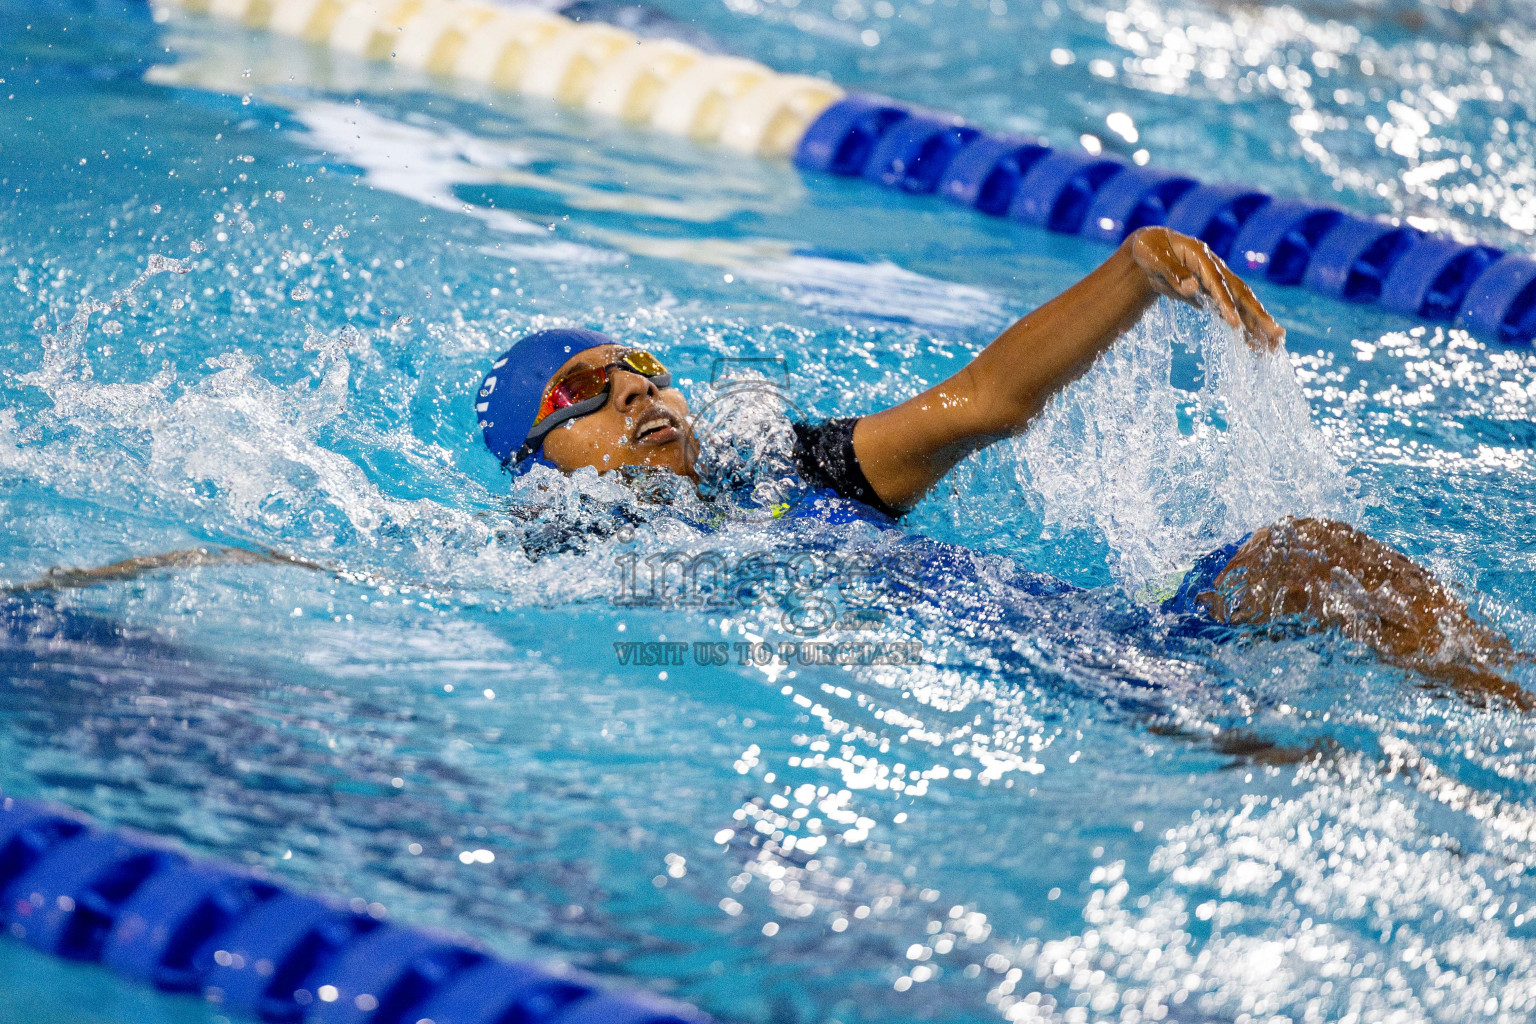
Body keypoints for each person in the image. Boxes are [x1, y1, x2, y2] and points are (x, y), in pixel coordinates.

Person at [475, 226, 1530, 708]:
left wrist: (1133, 269)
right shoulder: (562, 555)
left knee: (1316, 553)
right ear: (538, 461)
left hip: (1108, 647)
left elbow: (986, 401)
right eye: (579, 389)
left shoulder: (794, 468)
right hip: (1060, 715)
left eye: (642, 367)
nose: (633, 392)